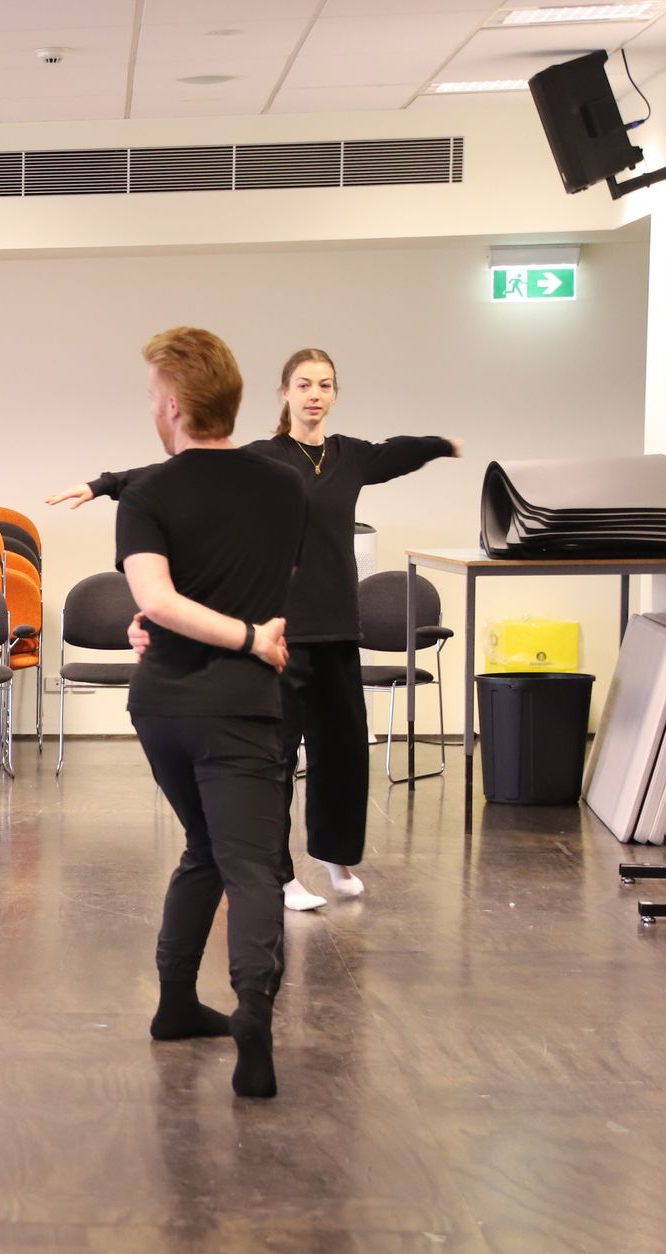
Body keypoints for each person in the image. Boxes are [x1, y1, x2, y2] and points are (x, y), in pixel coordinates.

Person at [49, 348, 458, 910]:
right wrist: (103, 485)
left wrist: (444, 445)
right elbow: (180, 472)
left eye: (325, 385)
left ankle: (335, 856)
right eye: (304, 384)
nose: (315, 395)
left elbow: (400, 451)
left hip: (339, 627)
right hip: (281, 630)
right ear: (285, 392)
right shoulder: (264, 458)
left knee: (343, 753)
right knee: (275, 758)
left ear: (335, 394)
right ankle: (279, 873)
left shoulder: (350, 457)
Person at [113, 327, 306, 1100]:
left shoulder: (147, 494)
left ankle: (175, 1006)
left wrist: (163, 623)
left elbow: (159, 600)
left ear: (173, 405)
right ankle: (252, 1009)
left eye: (152, 396)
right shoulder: (285, 487)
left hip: (163, 706)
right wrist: (252, 636)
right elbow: (262, 584)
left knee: (205, 846)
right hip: (242, 707)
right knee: (250, 862)